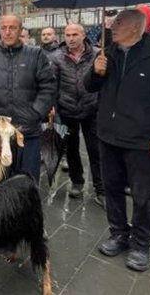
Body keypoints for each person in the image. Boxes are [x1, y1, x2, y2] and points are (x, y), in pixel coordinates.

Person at [84, 8, 150, 272]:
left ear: (136, 28)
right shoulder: (107, 56)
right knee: (112, 189)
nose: (112, 26)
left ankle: (140, 244)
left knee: (143, 197)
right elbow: (89, 87)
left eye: (119, 23)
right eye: (114, 22)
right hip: (108, 136)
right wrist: (95, 71)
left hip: (142, 141)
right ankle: (118, 233)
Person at [0, 15, 56, 181]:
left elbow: (48, 88)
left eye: (13, 28)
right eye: (4, 28)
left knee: (27, 183)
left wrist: (34, 113)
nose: (8, 32)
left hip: (28, 133)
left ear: (20, 30)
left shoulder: (36, 55)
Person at [49, 23, 103, 206]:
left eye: (74, 34)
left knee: (95, 149)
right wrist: (53, 107)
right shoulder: (57, 57)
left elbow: (104, 82)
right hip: (67, 110)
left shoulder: (97, 54)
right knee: (71, 149)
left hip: (92, 109)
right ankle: (77, 181)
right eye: (67, 35)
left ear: (83, 35)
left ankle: (100, 188)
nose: (71, 38)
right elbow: (52, 86)